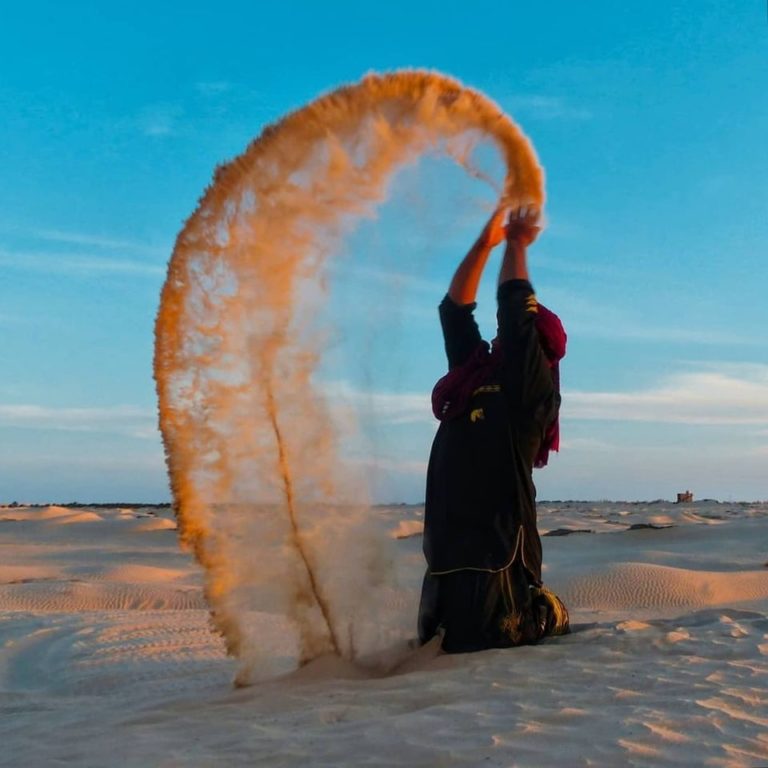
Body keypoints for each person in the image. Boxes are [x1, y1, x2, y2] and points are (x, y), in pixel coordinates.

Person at [418, 204, 570, 653]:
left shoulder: (531, 394)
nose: (504, 336)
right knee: (439, 641)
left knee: (480, 640)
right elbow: (455, 312)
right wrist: (485, 244)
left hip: (498, 560)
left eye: (520, 334)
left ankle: (548, 612)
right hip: (446, 556)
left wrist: (517, 244)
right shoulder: (474, 376)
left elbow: (515, 311)